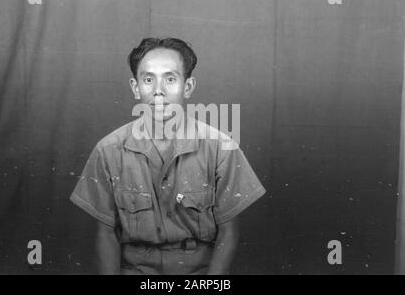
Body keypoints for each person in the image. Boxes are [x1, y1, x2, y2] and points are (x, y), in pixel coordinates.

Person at [70, 37, 266, 274]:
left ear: (188, 86)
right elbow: (105, 234)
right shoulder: (108, 150)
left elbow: (229, 232)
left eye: (170, 79)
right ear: (135, 87)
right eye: (148, 79)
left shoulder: (221, 148)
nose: (158, 91)